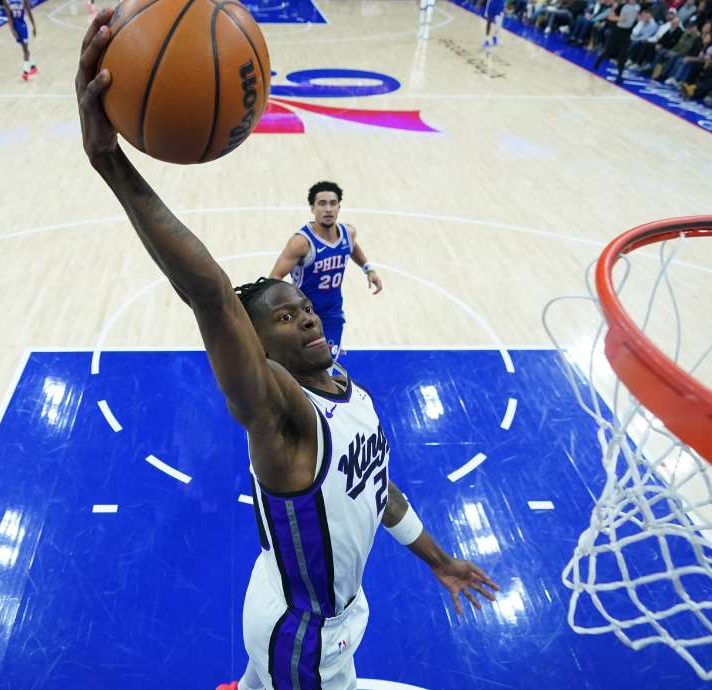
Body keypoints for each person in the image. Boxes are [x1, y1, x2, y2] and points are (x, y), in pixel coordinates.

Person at [74, 11, 499, 689]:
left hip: (320, 613)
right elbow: (212, 295)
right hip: (303, 641)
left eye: (301, 307)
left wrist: (438, 560)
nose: (304, 318)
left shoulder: (348, 392)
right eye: (282, 318)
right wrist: (109, 161)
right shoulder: (282, 416)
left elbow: (378, 489)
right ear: (259, 346)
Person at [266, 182, 382, 362]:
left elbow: (353, 247)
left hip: (332, 313)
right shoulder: (301, 243)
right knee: (301, 365)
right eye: (322, 203)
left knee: (326, 363)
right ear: (312, 208)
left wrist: (368, 269)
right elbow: (274, 277)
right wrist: (285, 308)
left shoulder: (348, 233)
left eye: (333, 203)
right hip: (304, 316)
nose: (328, 209)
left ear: (339, 207)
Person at [6, 0, 36, 80]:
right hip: (16, 27)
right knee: (24, 48)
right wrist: (12, 30)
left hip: (23, 27)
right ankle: (33, 66)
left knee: (25, 49)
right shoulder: (7, 1)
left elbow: (29, 13)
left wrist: (34, 26)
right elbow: (9, 17)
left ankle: (25, 71)